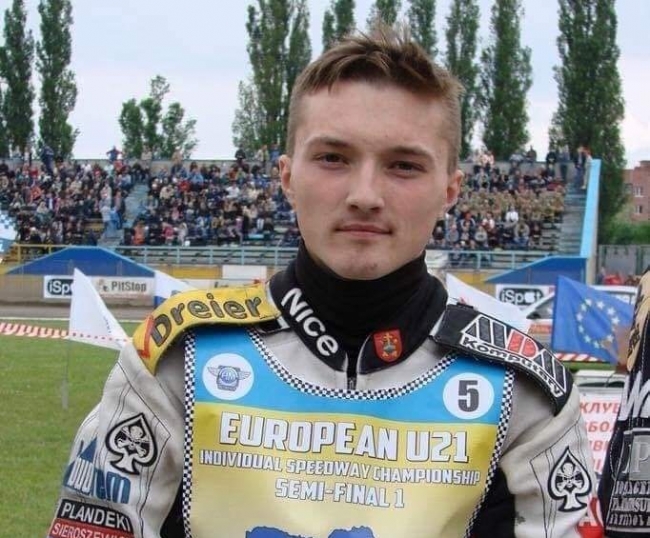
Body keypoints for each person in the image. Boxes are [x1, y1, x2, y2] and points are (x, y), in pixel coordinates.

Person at [47, 26, 594, 538]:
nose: (365, 195)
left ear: (450, 190)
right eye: (333, 158)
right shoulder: (175, 356)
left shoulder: (525, 390)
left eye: (404, 166)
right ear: (287, 177)